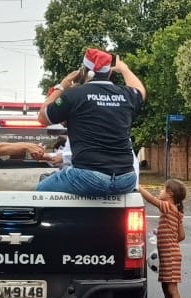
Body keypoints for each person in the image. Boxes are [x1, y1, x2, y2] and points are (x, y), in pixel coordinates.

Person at [36, 48, 145, 197]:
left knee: (41, 190)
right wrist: (124, 69)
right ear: (109, 73)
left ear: (84, 71)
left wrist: (61, 86)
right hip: (126, 179)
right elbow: (140, 90)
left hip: (89, 178)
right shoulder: (126, 95)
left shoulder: (74, 95)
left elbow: (42, 117)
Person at [139, 179, 187, 298]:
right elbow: (181, 236)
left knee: (172, 289)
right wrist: (168, 240)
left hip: (171, 256)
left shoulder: (167, 207)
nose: (160, 191)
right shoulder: (177, 212)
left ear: (170, 194)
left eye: (162, 189)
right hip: (168, 254)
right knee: (166, 288)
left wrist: (138, 186)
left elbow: (150, 199)